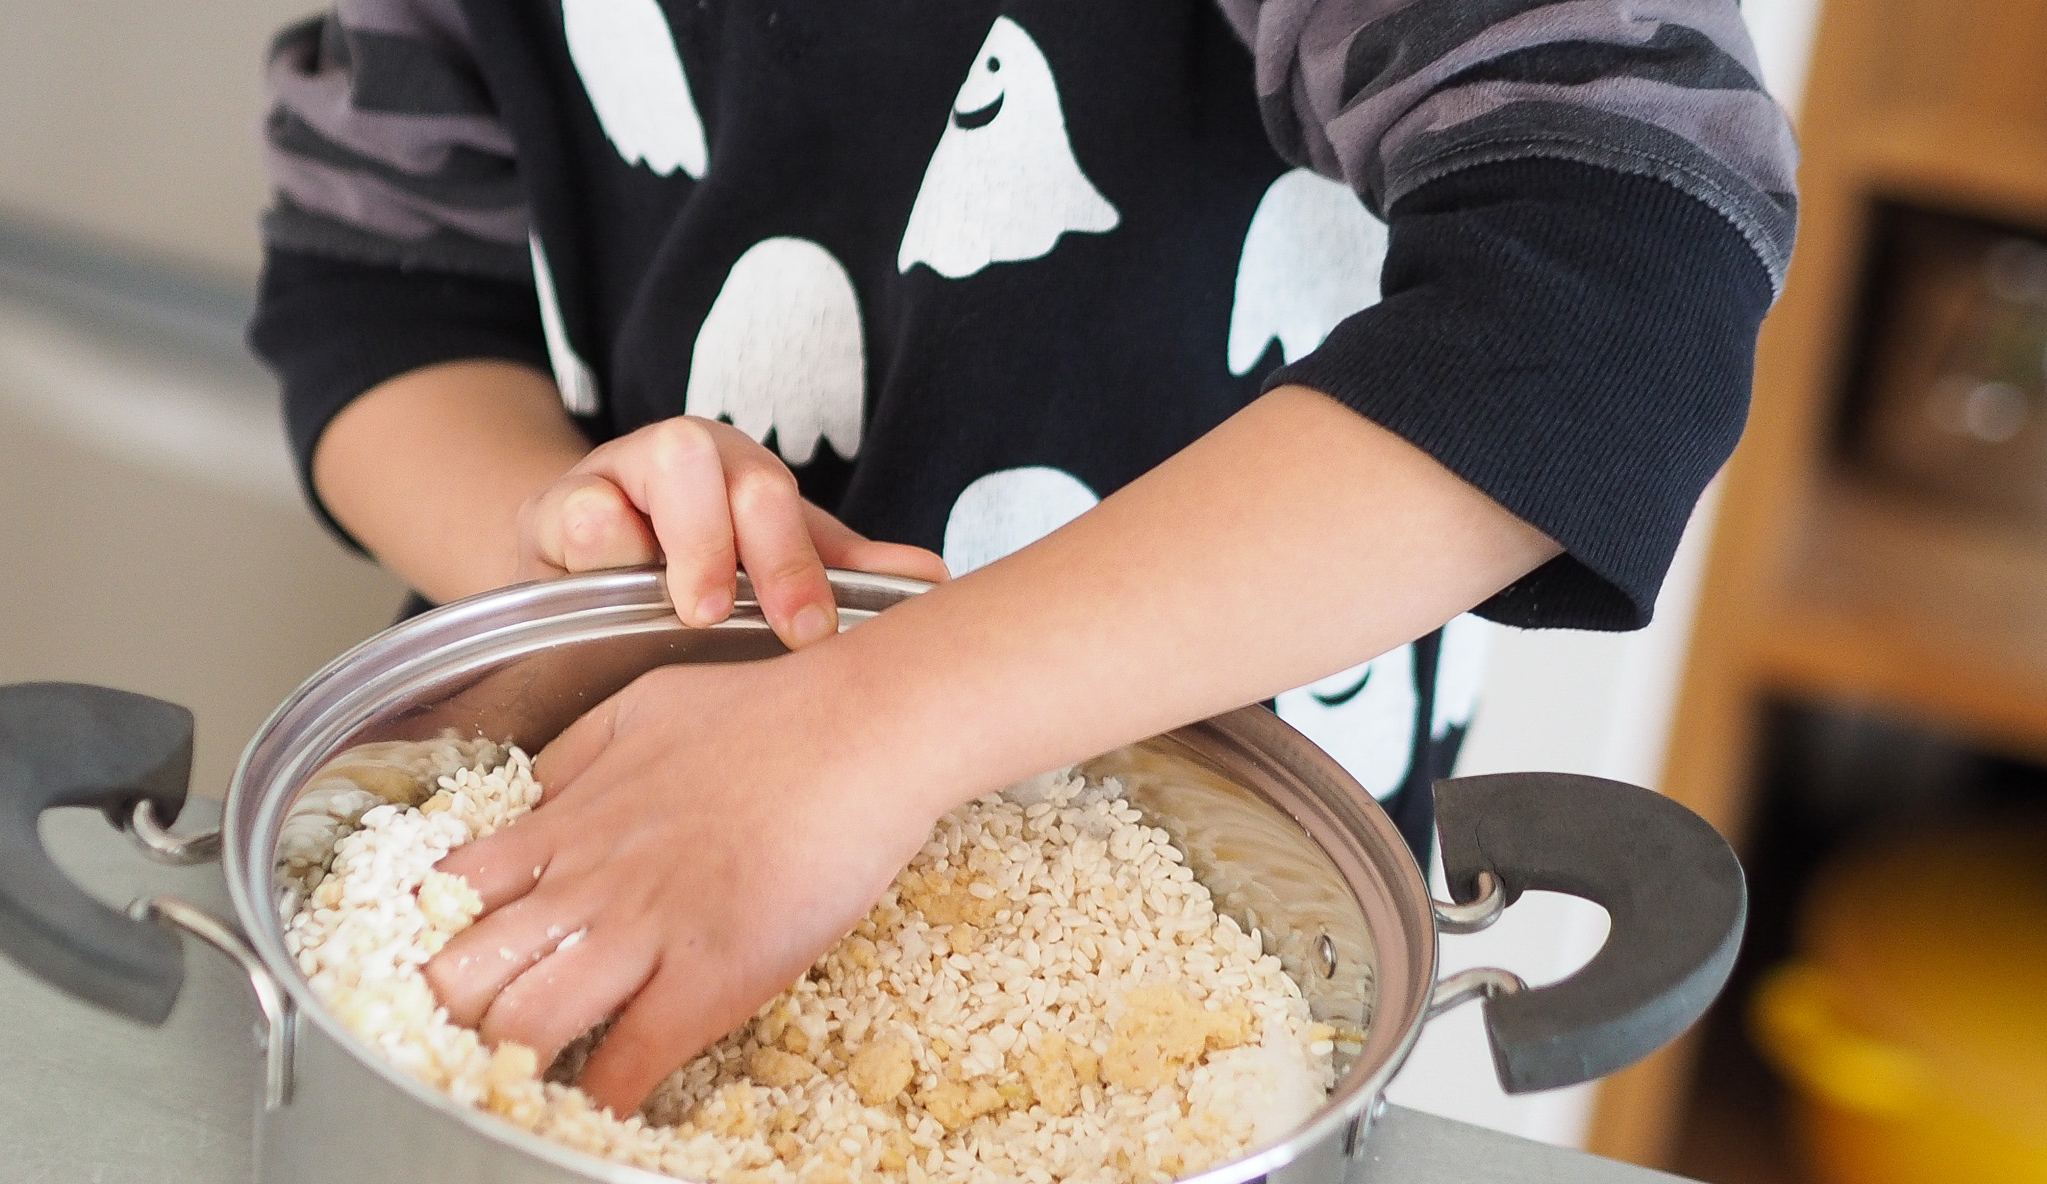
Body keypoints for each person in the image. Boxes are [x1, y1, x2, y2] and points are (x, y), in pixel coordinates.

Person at [250, 1, 1798, 1117]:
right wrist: (555, 536)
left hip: (1188, 930)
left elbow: (1623, 276)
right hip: (605, 799)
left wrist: (874, 718)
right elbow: (379, 289)